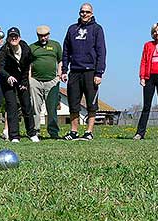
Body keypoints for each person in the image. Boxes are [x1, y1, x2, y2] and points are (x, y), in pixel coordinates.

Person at [61, 3, 106, 141]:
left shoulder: (97, 29)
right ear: (79, 13)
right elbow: (66, 51)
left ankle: (88, 132)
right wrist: (64, 70)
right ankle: (73, 131)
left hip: (90, 72)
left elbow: (101, 52)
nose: (84, 14)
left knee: (91, 104)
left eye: (87, 12)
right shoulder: (72, 29)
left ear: (91, 13)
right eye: (82, 12)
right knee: (73, 103)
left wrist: (99, 73)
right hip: (74, 71)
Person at [0, 27, 39, 143]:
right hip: (8, 80)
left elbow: (27, 66)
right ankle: (14, 136)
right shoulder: (3, 50)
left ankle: (32, 133)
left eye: (16, 36)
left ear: (19, 38)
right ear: (8, 38)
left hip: (22, 79)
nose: (13, 38)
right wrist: (8, 76)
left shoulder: (25, 48)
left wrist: (24, 82)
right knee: (12, 107)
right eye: (11, 36)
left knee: (26, 106)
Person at [29, 25, 62, 139]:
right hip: (35, 81)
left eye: (45, 36)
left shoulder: (56, 45)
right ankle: (35, 131)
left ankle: (53, 132)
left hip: (52, 80)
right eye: (41, 36)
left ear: (49, 35)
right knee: (35, 107)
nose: (43, 38)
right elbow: (28, 64)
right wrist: (29, 79)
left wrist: (59, 75)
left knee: (52, 107)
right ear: (37, 35)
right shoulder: (32, 47)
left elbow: (60, 61)